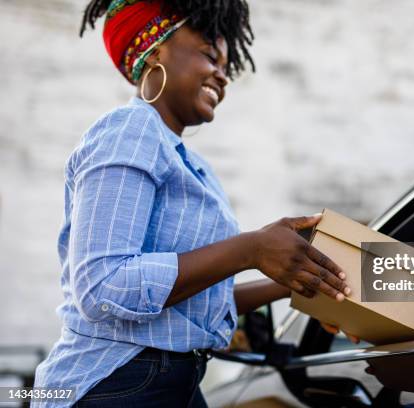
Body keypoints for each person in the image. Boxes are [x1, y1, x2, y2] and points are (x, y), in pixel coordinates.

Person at [33, 0, 355, 406]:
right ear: (155, 51)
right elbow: (102, 284)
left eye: (226, 65)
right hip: (113, 382)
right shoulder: (129, 130)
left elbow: (190, 303)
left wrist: (292, 277)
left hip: (175, 380)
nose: (222, 75)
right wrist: (251, 248)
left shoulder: (188, 162)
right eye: (209, 56)